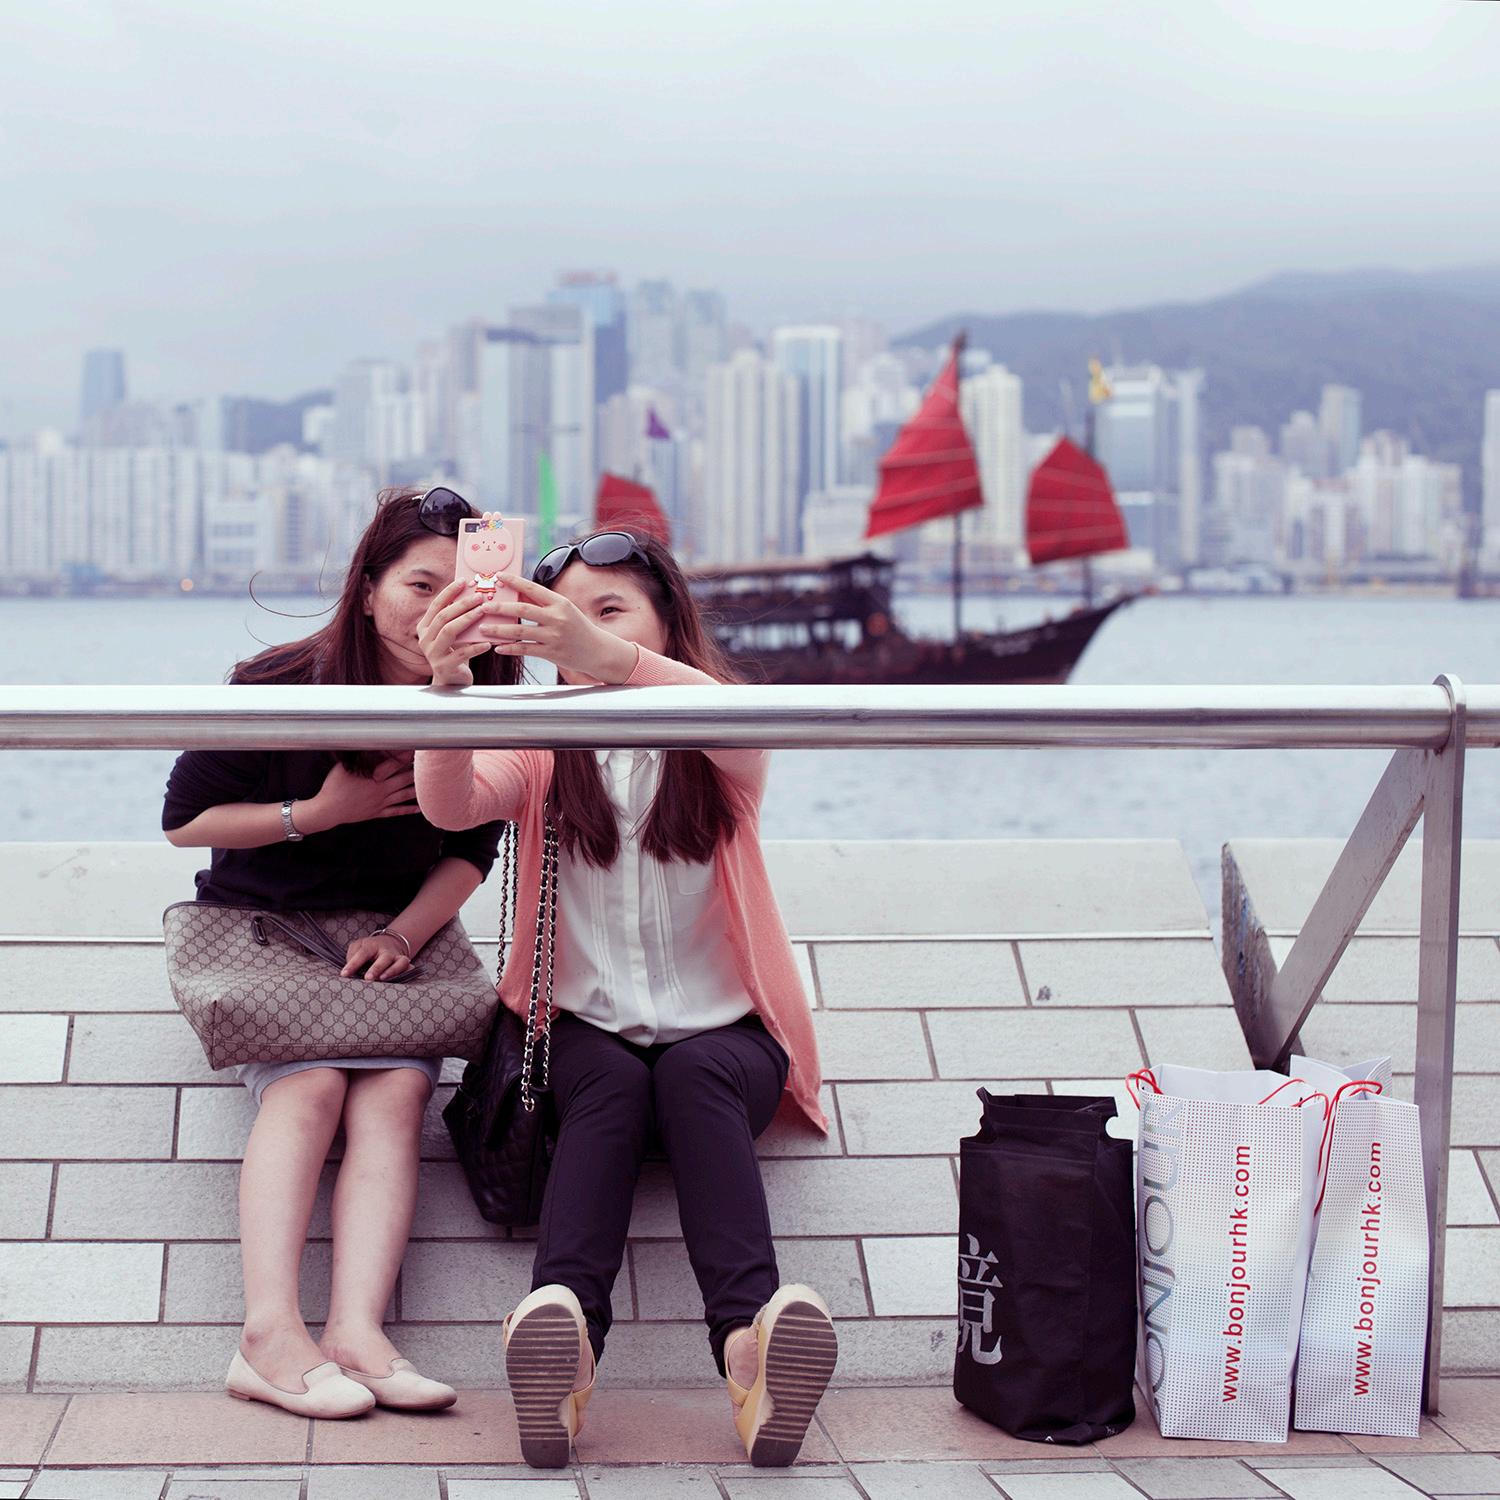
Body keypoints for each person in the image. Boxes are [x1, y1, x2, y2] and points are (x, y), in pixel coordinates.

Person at [412, 528, 837, 1469]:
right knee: (609, 1081)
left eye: (610, 611)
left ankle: (750, 1349)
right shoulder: (543, 750)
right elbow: (449, 804)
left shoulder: (714, 742)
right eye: (565, 617)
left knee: (692, 1075)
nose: (583, 632)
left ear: (666, 625)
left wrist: (605, 656)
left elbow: (739, 718)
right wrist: (447, 687)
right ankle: (564, 1339)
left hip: (729, 1038)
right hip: (580, 1033)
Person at [161, 486, 514, 1419]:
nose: (438, 607)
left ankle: (357, 1333)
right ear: (367, 590)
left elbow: (472, 850)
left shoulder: (484, 695)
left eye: (459, 589)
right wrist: (317, 814)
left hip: (392, 935)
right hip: (262, 926)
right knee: (311, 1084)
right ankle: (267, 1336)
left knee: (396, 1093)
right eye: (419, 584)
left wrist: (403, 934)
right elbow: (185, 822)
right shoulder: (279, 684)